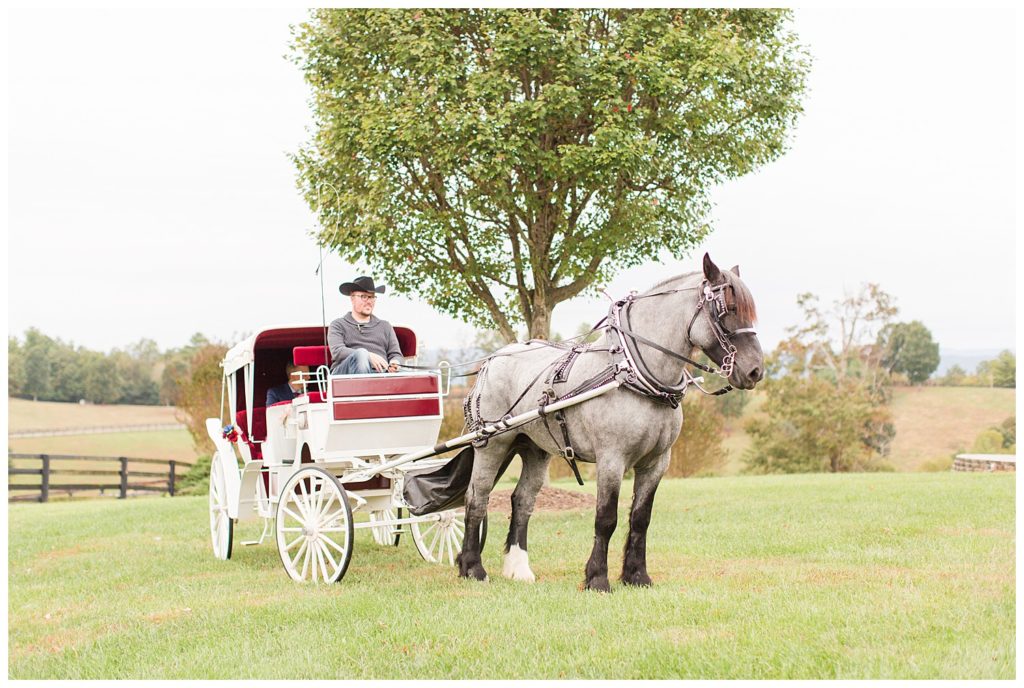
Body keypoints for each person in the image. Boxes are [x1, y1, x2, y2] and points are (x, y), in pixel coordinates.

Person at [329, 276, 403, 375]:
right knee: (361, 354)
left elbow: (396, 354)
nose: (369, 301)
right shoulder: (338, 325)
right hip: (345, 377)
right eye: (364, 296)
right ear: (352, 298)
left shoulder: (385, 326)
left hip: (381, 375)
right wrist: (368, 355)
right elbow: (337, 352)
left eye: (372, 297)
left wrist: (395, 363)